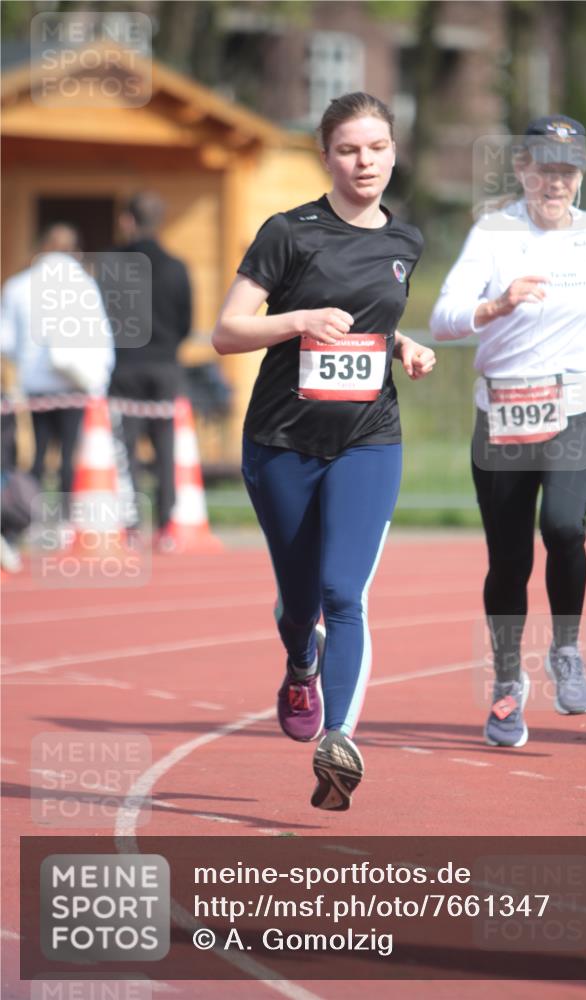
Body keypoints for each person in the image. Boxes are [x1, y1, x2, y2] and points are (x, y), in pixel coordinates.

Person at [212, 92, 436, 810]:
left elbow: (374, 325)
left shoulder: (405, 242)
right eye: (348, 149)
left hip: (368, 438)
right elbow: (226, 331)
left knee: (344, 594)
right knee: (298, 601)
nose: (363, 161)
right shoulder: (288, 232)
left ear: (393, 153)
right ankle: (297, 661)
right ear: (327, 157)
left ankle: (338, 740)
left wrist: (404, 345)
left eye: (375, 148)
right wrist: (298, 319)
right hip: (281, 441)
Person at [430, 115, 586, 748]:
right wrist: (496, 304)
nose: (555, 181)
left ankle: (564, 650)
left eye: (567, 169)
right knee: (508, 561)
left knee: (562, 523)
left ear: (579, 175)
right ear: (523, 171)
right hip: (503, 416)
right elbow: (443, 316)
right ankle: (507, 683)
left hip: (577, 405)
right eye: (543, 168)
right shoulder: (494, 234)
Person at [0, 223, 114, 519]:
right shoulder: (85, 284)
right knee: (68, 452)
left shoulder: (18, 285)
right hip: (74, 383)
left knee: (37, 453)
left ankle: (30, 517)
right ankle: (65, 518)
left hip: (35, 384)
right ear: (75, 250)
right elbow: (100, 336)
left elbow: (6, 340)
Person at [105, 192, 192, 548]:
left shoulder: (112, 263)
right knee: (165, 447)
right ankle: (167, 525)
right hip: (165, 365)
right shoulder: (177, 266)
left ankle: (130, 526)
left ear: (128, 221)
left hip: (125, 365)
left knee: (125, 448)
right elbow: (187, 321)